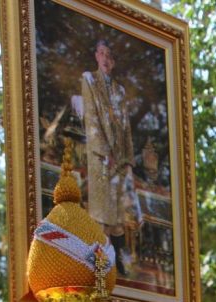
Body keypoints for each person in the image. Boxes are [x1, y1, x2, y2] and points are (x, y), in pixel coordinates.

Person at [81, 38, 139, 276]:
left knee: (118, 213)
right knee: (101, 211)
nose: (105, 59)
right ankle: (98, 262)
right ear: (97, 56)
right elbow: (92, 117)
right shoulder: (89, 80)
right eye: (102, 53)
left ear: (113, 62)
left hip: (119, 159)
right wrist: (105, 151)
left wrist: (127, 159)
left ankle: (118, 262)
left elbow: (125, 126)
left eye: (109, 56)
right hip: (101, 156)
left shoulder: (119, 90)